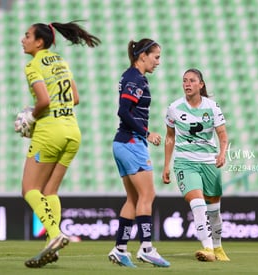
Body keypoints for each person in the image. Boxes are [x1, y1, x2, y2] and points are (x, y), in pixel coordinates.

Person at [17, 21, 100, 268]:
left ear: (39, 41)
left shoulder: (33, 65)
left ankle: (55, 235)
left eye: (27, 35)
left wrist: (31, 116)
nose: (23, 39)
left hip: (49, 131)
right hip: (72, 131)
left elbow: (42, 100)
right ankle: (51, 246)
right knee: (50, 190)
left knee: (29, 188)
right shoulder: (60, 61)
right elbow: (75, 98)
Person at [107, 38, 170, 268]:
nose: (158, 62)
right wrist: (147, 132)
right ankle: (146, 248)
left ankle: (120, 249)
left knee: (133, 199)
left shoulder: (131, 76)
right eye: (156, 56)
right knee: (147, 195)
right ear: (142, 56)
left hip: (122, 143)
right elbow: (123, 111)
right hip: (132, 142)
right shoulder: (134, 78)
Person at [162, 68, 230, 262]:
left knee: (214, 210)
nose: (187, 84)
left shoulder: (212, 107)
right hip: (185, 162)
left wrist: (222, 154)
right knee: (198, 204)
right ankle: (207, 248)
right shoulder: (174, 107)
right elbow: (169, 137)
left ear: (201, 85)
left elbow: (223, 136)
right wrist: (166, 165)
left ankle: (217, 247)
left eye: (192, 80)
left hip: (209, 162)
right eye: (184, 81)